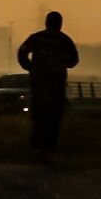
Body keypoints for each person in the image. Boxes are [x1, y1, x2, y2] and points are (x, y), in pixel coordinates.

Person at [17, 11, 79, 162]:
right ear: (60, 23)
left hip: (39, 81)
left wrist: (30, 67)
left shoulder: (37, 38)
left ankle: (37, 145)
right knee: (54, 116)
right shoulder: (64, 40)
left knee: (38, 115)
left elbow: (22, 52)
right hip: (56, 82)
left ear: (46, 22)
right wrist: (61, 63)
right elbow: (74, 60)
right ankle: (48, 147)